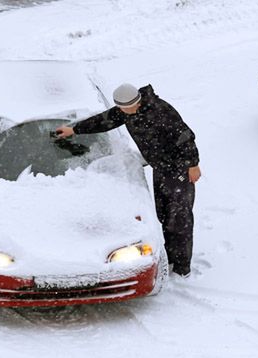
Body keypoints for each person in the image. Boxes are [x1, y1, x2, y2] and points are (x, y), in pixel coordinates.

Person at [55, 84, 201, 278]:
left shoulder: (160, 111)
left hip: (179, 169)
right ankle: (172, 255)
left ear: (137, 101)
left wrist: (192, 164)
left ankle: (182, 267)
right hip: (161, 168)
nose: (124, 112)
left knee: (179, 217)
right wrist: (74, 130)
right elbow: (103, 121)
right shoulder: (126, 111)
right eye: (122, 108)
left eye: (127, 108)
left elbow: (185, 136)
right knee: (164, 214)